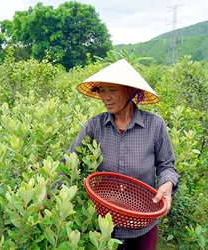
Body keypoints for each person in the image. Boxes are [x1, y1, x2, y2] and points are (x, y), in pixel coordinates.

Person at [65, 59, 180, 250]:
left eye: (112, 90)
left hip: (143, 220)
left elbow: (167, 165)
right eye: (102, 90)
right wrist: (47, 195)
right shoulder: (95, 125)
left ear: (130, 91)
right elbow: (69, 161)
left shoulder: (155, 125)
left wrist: (167, 184)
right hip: (104, 221)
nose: (105, 97)